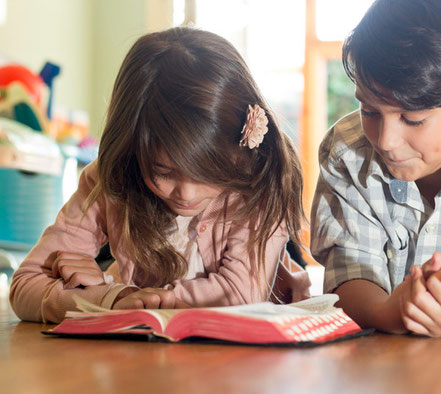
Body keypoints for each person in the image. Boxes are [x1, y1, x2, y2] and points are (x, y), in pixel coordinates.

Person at [10, 27, 309, 323]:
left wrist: (134, 298)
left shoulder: (260, 180)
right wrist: (110, 299)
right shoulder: (112, 177)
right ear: (131, 150)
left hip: (247, 361)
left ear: (238, 149)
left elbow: (238, 296)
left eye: (210, 171)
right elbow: (25, 284)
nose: (187, 193)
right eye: (162, 172)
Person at [310, 0, 441, 337]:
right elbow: (348, 273)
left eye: (412, 118)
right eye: (369, 110)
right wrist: (390, 311)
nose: (386, 141)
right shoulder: (347, 154)